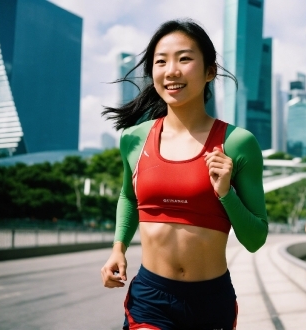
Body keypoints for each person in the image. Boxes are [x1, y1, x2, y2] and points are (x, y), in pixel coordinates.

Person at [100, 19, 268, 330]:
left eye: (185, 58)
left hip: (211, 301)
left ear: (210, 72)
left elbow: (256, 239)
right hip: (151, 298)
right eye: (161, 61)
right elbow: (128, 195)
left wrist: (225, 193)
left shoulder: (237, 143)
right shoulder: (133, 139)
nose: (171, 70)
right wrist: (118, 248)